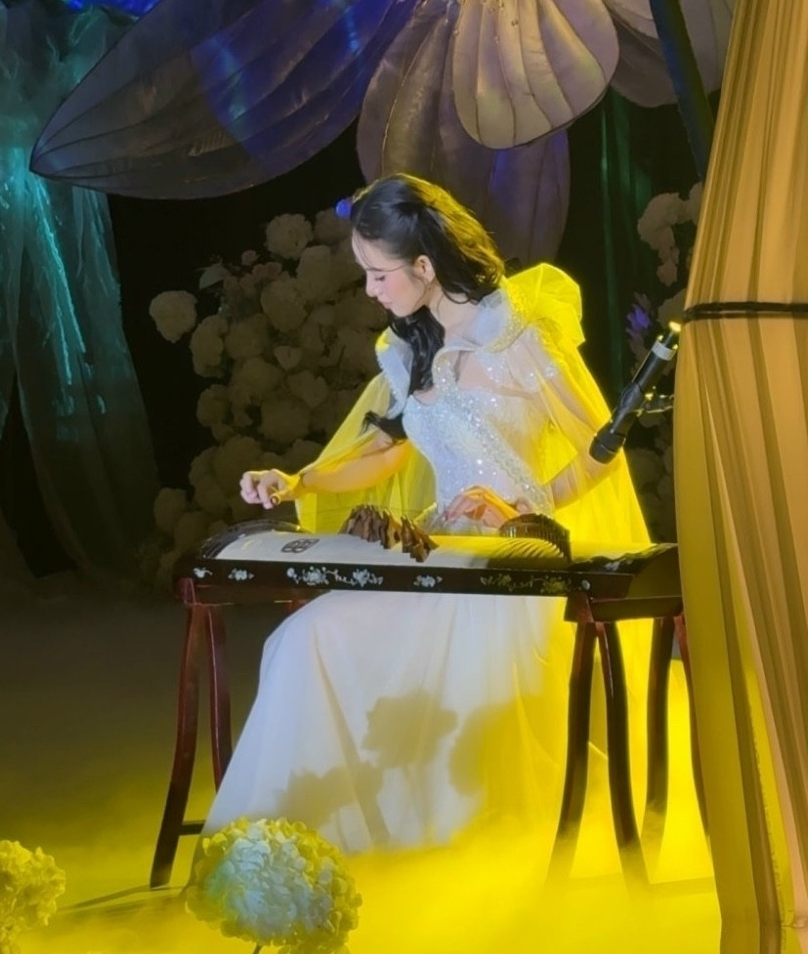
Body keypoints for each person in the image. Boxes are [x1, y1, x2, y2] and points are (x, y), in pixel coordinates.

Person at [203, 175, 649, 853]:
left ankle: (442, 844)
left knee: (460, 667)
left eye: (378, 274)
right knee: (302, 639)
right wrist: (296, 481)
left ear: (423, 265)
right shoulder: (410, 347)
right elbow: (385, 449)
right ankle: (293, 845)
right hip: (437, 555)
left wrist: (524, 507)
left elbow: (602, 448)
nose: (369, 290)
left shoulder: (519, 336)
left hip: (516, 563)